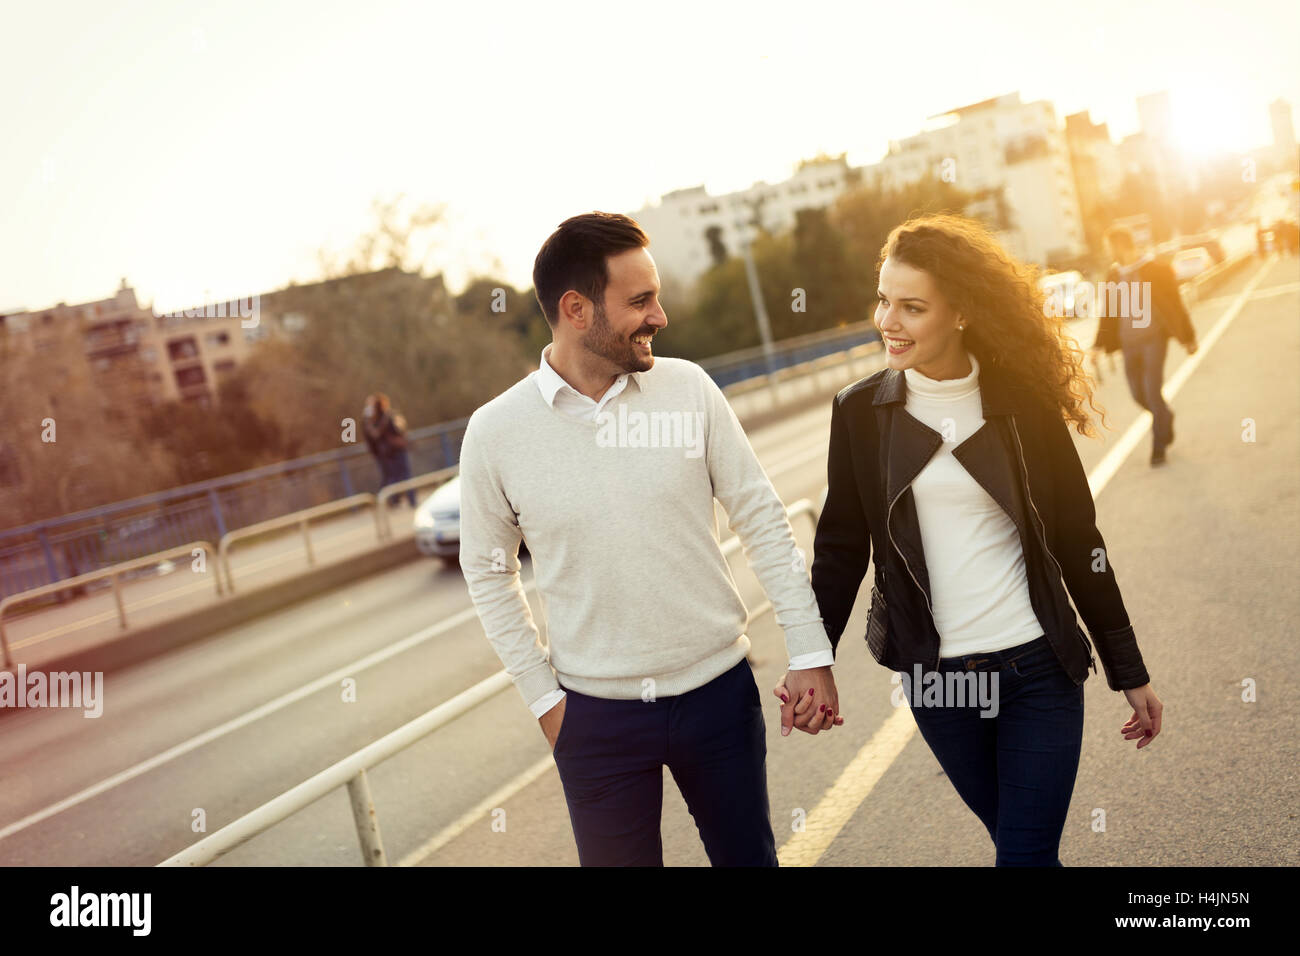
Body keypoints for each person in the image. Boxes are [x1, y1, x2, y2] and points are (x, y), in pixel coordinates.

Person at [458, 212, 841, 867]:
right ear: (576, 309)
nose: (659, 316)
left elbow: (763, 519)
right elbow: (490, 573)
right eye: (640, 301)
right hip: (595, 721)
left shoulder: (688, 389)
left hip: (719, 694)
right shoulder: (496, 433)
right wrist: (547, 703)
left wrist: (811, 650)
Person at [786, 214, 1163, 867]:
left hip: (1037, 669)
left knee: (1021, 855)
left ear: (960, 312)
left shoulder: (1021, 400)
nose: (887, 321)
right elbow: (841, 547)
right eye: (882, 300)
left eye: (911, 306)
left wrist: (1128, 670)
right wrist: (810, 657)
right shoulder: (860, 413)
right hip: (938, 685)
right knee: (1025, 851)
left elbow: (1079, 538)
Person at [1090, 227, 1198, 466]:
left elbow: (1176, 304)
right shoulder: (1113, 275)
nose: (1109, 253)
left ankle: (1159, 445)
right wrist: (1097, 346)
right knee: (1138, 395)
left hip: (1153, 340)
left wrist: (1189, 337)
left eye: (1110, 248)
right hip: (1129, 345)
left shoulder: (1154, 270)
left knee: (1152, 392)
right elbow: (1107, 314)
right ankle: (1165, 416)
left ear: (1122, 246)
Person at [362, 393, 416, 506]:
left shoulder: (386, 416)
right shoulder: (378, 418)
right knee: (398, 476)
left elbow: (399, 428)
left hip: (390, 451)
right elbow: (374, 435)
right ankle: (400, 500)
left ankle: (404, 500)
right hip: (388, 452)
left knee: (398, 476)